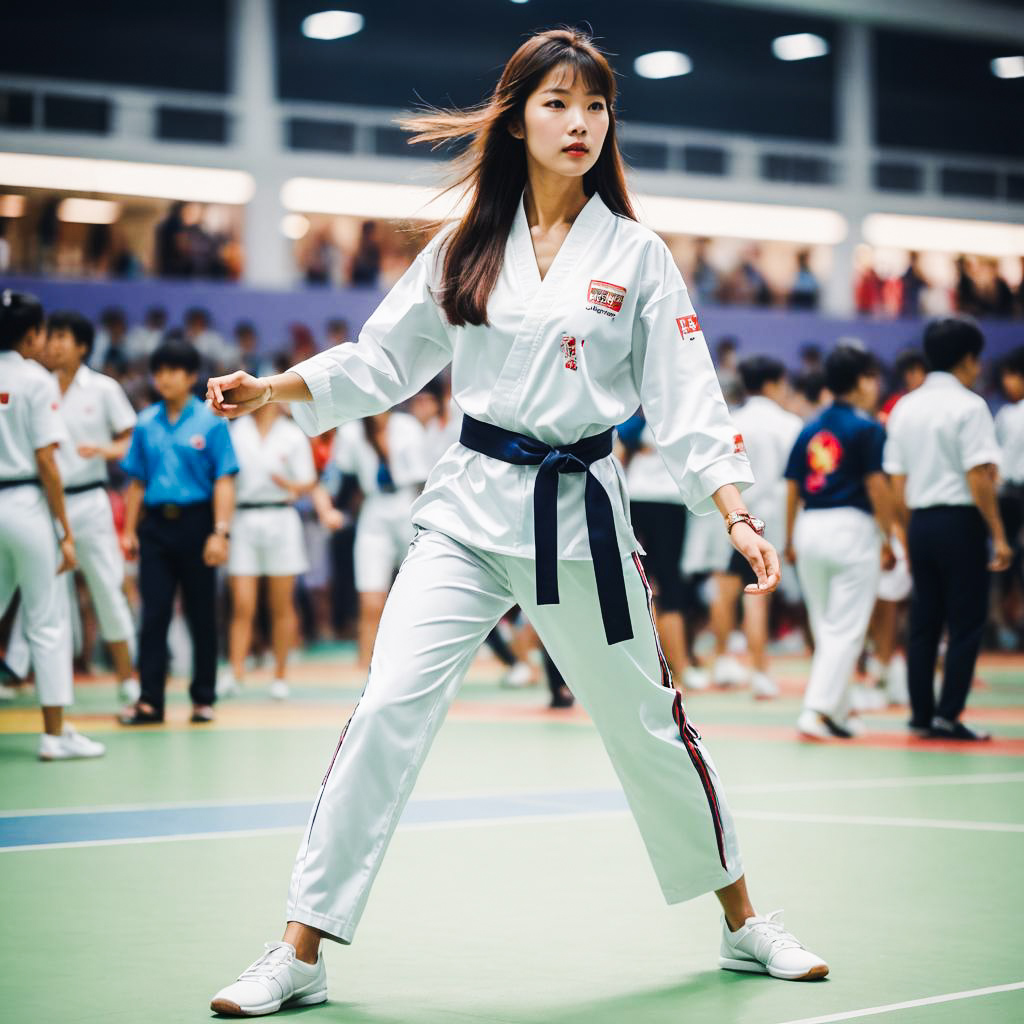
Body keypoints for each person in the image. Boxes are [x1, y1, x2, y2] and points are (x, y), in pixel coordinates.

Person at [206, 30, 827, 1017]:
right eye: (556, 102)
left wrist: (734, 508)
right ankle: (299, 950)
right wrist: (277, 388)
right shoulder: (467, 246)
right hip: (465, 508)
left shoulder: (636, 253)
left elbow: (684, 397)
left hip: (580, 509)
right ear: (517, 116)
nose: (579, 121)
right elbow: (379, 362)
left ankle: (745, 920)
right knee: (384, 708)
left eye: (594, 104)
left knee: (648, 726)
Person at [884, 318, 1011, 740]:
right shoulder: (970, 406)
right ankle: (948, 714)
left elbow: (896, 480)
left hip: (921, 521)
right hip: (960, 522)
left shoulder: (905, 405)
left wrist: (906, 528)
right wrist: (998, 532)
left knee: (924, 620)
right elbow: (979, 476)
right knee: (966, 621)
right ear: (968, 359)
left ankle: (921, 715)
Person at [0, 291, 105, 760]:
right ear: (30, 335)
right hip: (24, 503)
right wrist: (65, 532)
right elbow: (47, 459)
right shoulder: (36, 380)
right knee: (47, 620)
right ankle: (54, 734)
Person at [118, 339, 238, 725]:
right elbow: (136, 480)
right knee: (153, 615)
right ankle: (150, 700)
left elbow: (223, 479)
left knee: (202, 614)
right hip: (155, 527)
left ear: (190, 377)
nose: (164, 378)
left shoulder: (210, 422)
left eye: (173, 370)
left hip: (197, 524)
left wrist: (220, 532)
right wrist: (129, 530)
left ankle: (204, 698)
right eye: (159, 371)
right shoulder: (145, 422)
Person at [784, 346, 897, 740]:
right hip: (852, 527)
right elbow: (876, 485)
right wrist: (890, 535)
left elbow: (793, 486)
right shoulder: (868, 428)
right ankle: (816, 712)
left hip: (809, 525)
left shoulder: (809, 427)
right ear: (863, 380)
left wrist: (788, 539)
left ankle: (840, 711)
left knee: (826, 624)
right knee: (845, 629)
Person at [45, 311, 139, 703]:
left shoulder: (103, 389)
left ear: (82, 346)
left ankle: (126, 675)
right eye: (50, 337)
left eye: (62, 337)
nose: (53, 344)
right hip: (46, 503)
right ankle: (32, 679)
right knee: (45, 595)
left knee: (106, 587)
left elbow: (131, 442)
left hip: (90, 499)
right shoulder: (37, 387)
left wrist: (106, 449)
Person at [711, 357, 801, 698]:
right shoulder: (789, 424)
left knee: (728, 585)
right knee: (759, 594)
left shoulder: (732, 420)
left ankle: (723, 659)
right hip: (774, 515)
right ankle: (760, 670)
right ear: (773, 384)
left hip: (735, 512)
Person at [219, 403, 316, 700]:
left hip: (281, 517)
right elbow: (225, 480)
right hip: (244, 518)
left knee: (281, 604)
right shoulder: (236, 432)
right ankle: (236, 673)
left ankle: (280, 675)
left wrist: (288, 484)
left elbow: (308, 482)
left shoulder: (292, 435)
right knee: (243, 604)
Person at [618, 412, 710, 691]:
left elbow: (618, 452)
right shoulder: (679, 417)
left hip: (636, 498)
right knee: (667, 586)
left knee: (645, 585)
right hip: (665, 503)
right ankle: (678, 669)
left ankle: (662, 666)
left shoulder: (634, 421)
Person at [332, 411, 431, 667]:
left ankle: (416, 663)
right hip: (374, 508)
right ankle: (365, 666)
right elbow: (339, 478)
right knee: (371, 599)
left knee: (418, 593)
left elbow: (424, 477)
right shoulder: (351, 431)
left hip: (408, 504)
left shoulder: (407, 426)